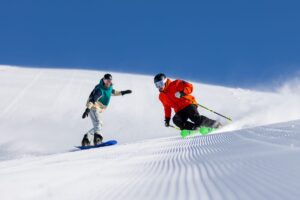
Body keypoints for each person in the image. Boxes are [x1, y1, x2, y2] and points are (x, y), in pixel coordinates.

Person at [154, 73, 221, 131]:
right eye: (157, 85)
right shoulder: (161, 96)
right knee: (177, 120)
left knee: (195, 118)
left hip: (188, 104)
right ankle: (194, 128)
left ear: (165, 81)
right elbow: (167, 108)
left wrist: (182, 93)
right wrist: (167, 119)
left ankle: (215, 124)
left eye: (160, 83)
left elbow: (190, 86)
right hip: (179, 110)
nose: (159, 86)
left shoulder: (176, 83)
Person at [81, 73, 132, 146]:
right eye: (106, 81)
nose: (108, 83)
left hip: (97, 108)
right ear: (103, 80)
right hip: (93, 106)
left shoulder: (109, 88)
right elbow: (93, 99)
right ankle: (97, 138)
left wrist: (123, 92)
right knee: (98, 123)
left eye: (109, 81)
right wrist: (87, 109)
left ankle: (87, 137)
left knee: (99, 125)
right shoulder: (100, 90)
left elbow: (114, 92)